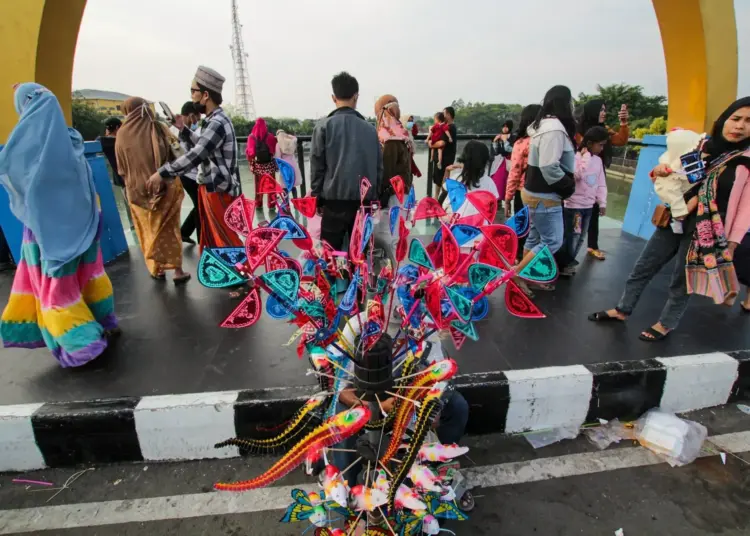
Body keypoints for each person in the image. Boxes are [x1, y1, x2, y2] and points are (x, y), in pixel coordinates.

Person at [589, 97, 750, 341]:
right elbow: (666, 172)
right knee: (643, 267)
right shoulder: (699, 145)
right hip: (675, 218)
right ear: (724, 119)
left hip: (707, 227)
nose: (740, 126)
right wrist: (659, 171)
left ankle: (666, 323)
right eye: (736, 119)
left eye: (749, 121)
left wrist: (733, 242)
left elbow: (746, 209)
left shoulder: (745, 161)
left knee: (681, 280)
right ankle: (622, 309)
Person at [0, 83, 118, 367]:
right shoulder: (71, 140)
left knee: (56, 290)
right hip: (85, 226)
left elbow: (15, 179)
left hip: (48, 235)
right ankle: (102, 322)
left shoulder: (26, 149)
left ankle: (83, 345)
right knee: (87, 278)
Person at [147, 66, 242, 253]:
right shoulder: (215, 119)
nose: (192, 96)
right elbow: (204, 146)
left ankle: (242, 276)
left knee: (225, 238)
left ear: (205, 95)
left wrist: (162, 172)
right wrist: (182, 129)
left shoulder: (216, 123)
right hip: (213, 186)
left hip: (219, 187)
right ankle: (225, 275)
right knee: (215, 236)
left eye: (193, 91)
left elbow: (197, 154)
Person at [116, 97, 191, 284]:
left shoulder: (121, 135)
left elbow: (121, 169)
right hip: (165, 188)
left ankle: (156, 268)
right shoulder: (158, 128)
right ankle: (178, 271)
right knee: (169, 229)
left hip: (136, 192)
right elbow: (179, 153)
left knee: (147, 229)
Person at [310, 72, 382, 250]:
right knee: (360, 255)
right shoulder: (370, 129)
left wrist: (316, 198)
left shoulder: (323, 127)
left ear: (333, 97)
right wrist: (376, 196)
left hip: (333, 202)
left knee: (331, 257)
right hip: (363, 203)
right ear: (356, 96)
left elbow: (317, 167)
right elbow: (378, 168)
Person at [515, 86, 577, 290]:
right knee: (552, 241)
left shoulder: (542, 126)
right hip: (545, 195)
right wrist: (567, 185)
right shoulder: (554, 129)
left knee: (534, 236)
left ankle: (527, 277)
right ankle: (517, 274)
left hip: (533, 192)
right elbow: (549, 165)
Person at [575, 99, 629, 261]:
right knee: (576, 211)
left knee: (594, 208)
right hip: (579, 176)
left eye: (605, 110)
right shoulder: (578, 130)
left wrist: (624, 123)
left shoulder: (603, 130)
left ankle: (592, 245)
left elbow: (620, 140)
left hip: (596, 176)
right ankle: (572, 243)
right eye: (601, 110)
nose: (604, 113)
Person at [558, 126, 609, 276]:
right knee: (572, 235)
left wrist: (602, 202)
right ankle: (564, 264)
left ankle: (569, 261)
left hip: (588, 207)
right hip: (574, 207)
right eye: (600, 144)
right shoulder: (575, 158)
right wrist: (585, 157)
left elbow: (601, 183)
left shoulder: (598, 161)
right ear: (590, 143)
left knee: (580, 236)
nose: (601, 148)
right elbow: (577, 175)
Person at [171, 101, 203, 244]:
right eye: (197, 118)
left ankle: (184, 232)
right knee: (201, 207)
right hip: (188, 174)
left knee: (199, 205)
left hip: (190, 173)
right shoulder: (176, 131)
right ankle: (202, 240)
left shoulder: (185, 130)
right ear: (191, 116)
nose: (197, 121)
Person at [375, 94, 413, 206]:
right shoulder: (400, 133)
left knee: (392, 222)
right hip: (403, 188)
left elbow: (387, 170)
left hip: (394, 193)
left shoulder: (389, 138)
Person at [246, 118, 278, 210]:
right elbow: (273, 151)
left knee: (258, 186)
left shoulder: (251, 137)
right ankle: (271, 205)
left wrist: (251, 161)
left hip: (258, 166)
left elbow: (250, 154)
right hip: (269, 166)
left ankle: (258, 203)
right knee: (271, 186)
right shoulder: (270, 136)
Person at [429, 106, 458, 204]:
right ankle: (437, 199)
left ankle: (439, 200)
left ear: (449, 115)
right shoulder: (446, 127)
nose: (443, 115)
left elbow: (441, 143)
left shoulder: (449, 128)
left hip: (445, 158)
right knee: (440, 178)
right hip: (444, 157)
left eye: (444, 113)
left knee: (442, 179)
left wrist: (431, 144)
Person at [275, 129, 302, 198]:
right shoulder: (291, 142)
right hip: (293, 164)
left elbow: (278, 157)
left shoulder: (278, 145)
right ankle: (296, 202)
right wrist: (288, 136)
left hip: (284, 166)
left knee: (285, 186)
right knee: (292, 184)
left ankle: (286, 205)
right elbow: (295, 138)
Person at [400, 113, 422, 178]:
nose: (410, 123)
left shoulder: (410, 131)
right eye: (408, 121)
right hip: (405, 158)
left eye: (411, 121)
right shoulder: (401, 132)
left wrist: (413, 124)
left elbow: (415, 131)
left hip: (409, 156)